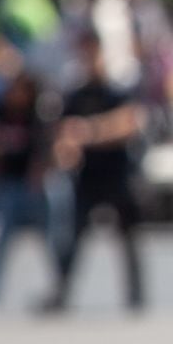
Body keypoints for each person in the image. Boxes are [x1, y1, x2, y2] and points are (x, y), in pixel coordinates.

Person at [43, 30, 147, 314]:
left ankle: (137, 297)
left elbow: (128, 123)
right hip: (88, 176)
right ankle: (62, 293)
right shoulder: (76, 95)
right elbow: (62, 134)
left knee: (128, 238)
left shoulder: (117, 89)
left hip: (118, 173)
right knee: (72, 239)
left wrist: (89, 132)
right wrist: (66, 147)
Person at [0, 70, 60, 323]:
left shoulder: (38, 116)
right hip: (7, 187)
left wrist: (39, 177)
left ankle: (57, 292)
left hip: (34, 189)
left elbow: (45, 150)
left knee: (53, 242)